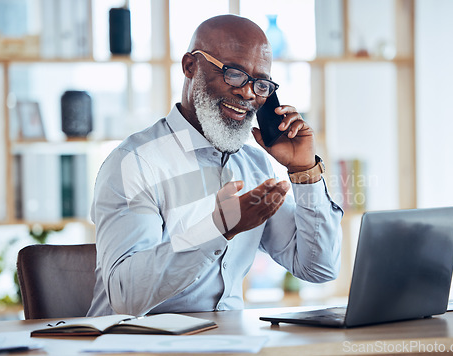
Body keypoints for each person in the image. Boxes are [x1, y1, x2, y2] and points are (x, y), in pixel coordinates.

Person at [87, 14, 343, 317]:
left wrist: (305, 172)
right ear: (190, 66)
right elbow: (126, 297)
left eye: (260, 84)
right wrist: (217, 229)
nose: (247, 93)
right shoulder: (136, 163)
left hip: (229, 342)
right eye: (234, 74)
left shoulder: (254, 164)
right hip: (136, 345)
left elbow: (319, 267)